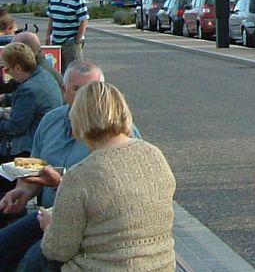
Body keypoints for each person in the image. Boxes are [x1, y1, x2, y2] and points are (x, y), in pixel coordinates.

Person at [0, 60, 141, 270]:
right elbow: (36, 170)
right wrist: (23, 192)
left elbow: (120, 195)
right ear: (65, 91)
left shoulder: (117, 132)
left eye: (92, 89)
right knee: (4, 243)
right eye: (78, 89)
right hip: (49, 214)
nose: (86, 97)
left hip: (89, 224)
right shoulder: (51, 121)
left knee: (32, 261)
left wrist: (61, 183)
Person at [36, 81, 174, 270]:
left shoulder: (80, 175)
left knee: (31, 258)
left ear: (77, 119)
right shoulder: (154, 155)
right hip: (160, 265)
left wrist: (48, 228)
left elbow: (58, 250)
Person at [0, 43, 61, 195]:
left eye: (7, 69)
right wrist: (4, 98)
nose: (6, 73)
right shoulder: (42, 75)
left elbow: (16, 127)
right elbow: (27, 102)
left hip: (29, 146)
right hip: (46, 137)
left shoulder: (28, 90)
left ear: (18, 68)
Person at [46, 0, 89, 72]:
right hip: (56, 41)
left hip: (71, 41)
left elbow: (84, 21)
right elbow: (51, 18)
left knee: (74, 70)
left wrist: (77, 40)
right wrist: (48, 35)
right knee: (58, 70)